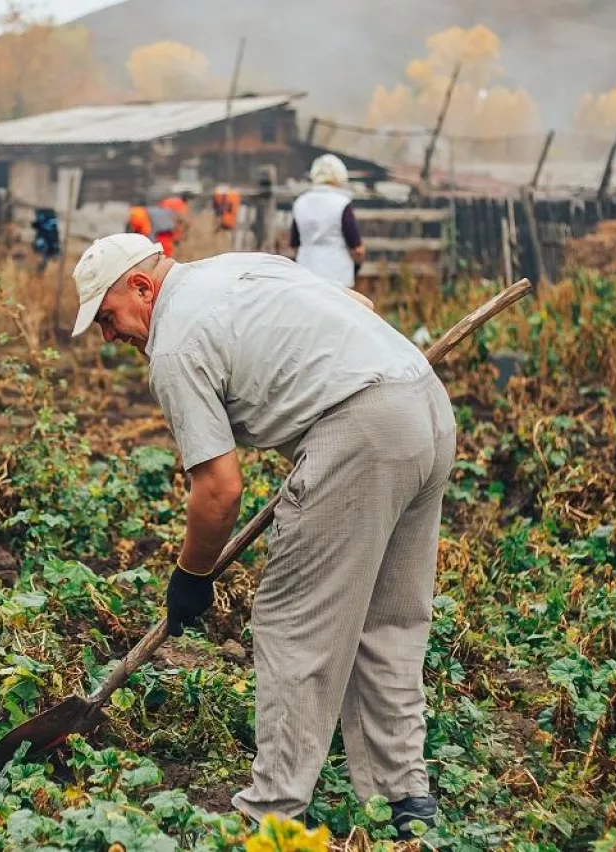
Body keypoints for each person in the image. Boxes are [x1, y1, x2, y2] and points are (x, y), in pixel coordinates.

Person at [69, 233, 455, 839]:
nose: (108, 337)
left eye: (109, 317)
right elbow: (359, 305)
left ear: (142, 287)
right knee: (389, 619)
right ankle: (403, 799)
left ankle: (272, 815)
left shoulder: (174, 347)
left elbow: (219, 489)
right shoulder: (242, 268)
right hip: (424, 405)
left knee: (293, 622)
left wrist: (190, 578)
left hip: (363, 429)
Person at [290, 154, 365, 288]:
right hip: (337, 272)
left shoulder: (300, 202)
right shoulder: (342, 203)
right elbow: (356, 247)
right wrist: (358, 263)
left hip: (306, 271)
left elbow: (295, 243)